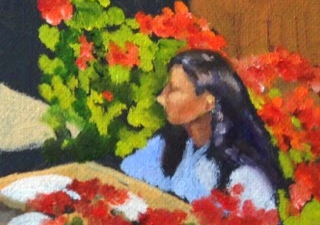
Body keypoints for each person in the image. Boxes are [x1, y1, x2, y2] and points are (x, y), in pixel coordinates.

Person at [120, 49, 283, 211]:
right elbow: (123, 178)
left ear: (208, 103)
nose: (161, 98)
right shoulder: (166, 145)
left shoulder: (243, 177)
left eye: (174, 89)